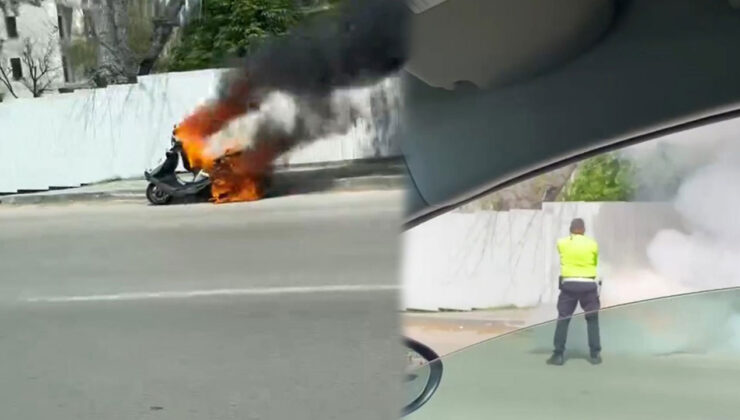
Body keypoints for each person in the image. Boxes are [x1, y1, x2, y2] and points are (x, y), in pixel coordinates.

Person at [547, 218, 602, 366]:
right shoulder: (592, 244)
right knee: (592, 319)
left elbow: (561, 251)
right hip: (588, 284)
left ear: (571, 229)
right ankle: (595, 355)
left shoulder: (562, 243)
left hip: (569, 284)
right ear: (584, 230)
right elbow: (595, 262)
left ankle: (558, 355)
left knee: (563, 318)